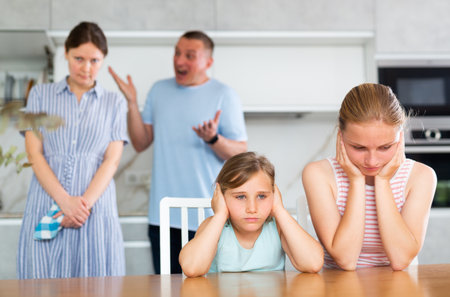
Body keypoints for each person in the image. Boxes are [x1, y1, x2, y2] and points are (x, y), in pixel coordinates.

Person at [109, 31, 247, 274]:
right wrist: (132, 103)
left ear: (208, 62)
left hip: (209, 217)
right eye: (177, 53)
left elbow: (239, 152)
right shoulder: (159, 90)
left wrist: (213, 139)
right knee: (167, 289)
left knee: (210, 290)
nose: (179, 60)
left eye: (189, 56)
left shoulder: (225, 95)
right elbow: (141, 143)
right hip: (162, 217)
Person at [17, 21, 128, 279]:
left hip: (94, 211)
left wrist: (80, 207)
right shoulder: (39, 95)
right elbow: (34, 154)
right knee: (41, 286)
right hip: (47, 205)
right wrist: (65, 203)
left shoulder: (114, 102)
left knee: (99, 285)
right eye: (79, 58)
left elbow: (111, 161)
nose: (86, 68)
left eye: (95, 60)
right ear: (65, 52)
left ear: (103, 60)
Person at [302, 83, 437, 271]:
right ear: (340, 138)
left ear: (400, 139)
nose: (372, 161)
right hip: (339, 285)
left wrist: (382, 182)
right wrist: (356, 182)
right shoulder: (318, 174)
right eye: (359, 148)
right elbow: (346, 259)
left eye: (385, 147)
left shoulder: (421, 176)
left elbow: (401, 259)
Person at [179, 152, 324, 277]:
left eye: (262, 196)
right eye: (240, 197)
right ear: (221, 197)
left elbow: (313, 263)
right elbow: (191, 268)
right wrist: (220, 215)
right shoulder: (213, 226)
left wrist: (279, 210)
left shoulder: (278, 227)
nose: (252, 208)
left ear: (274, 195)